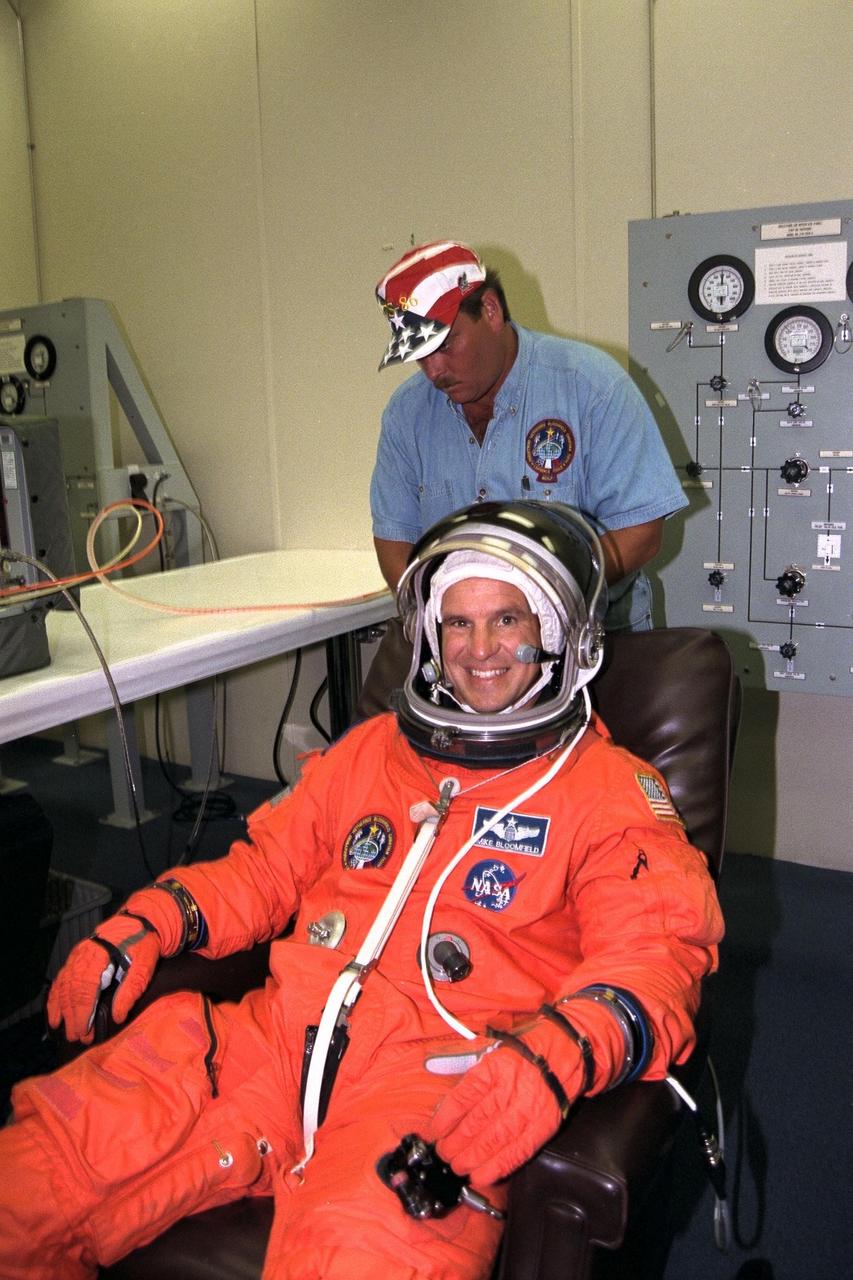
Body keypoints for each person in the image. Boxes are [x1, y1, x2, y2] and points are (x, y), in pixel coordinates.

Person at [0, 501, 723, 1280]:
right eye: (456, 624)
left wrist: (559, 1052)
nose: (478, 649)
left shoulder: (605, 790)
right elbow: (263, 868)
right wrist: (152, 919)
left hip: (426, 1086)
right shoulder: (373, 753)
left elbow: (656, 953)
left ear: (560, 634)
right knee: (30, 1183)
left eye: (507, 619)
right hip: (270, 1045)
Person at [361, 240, 688, 716]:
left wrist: (548, 610)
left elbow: (641, 533)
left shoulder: (591, 387)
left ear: (490, 311)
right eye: (420, 355)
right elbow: (394, 540)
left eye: (446, 345)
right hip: (468, 665)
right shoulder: (407, 414)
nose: (434, 371)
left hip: (594, 649)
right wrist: (436, 625)